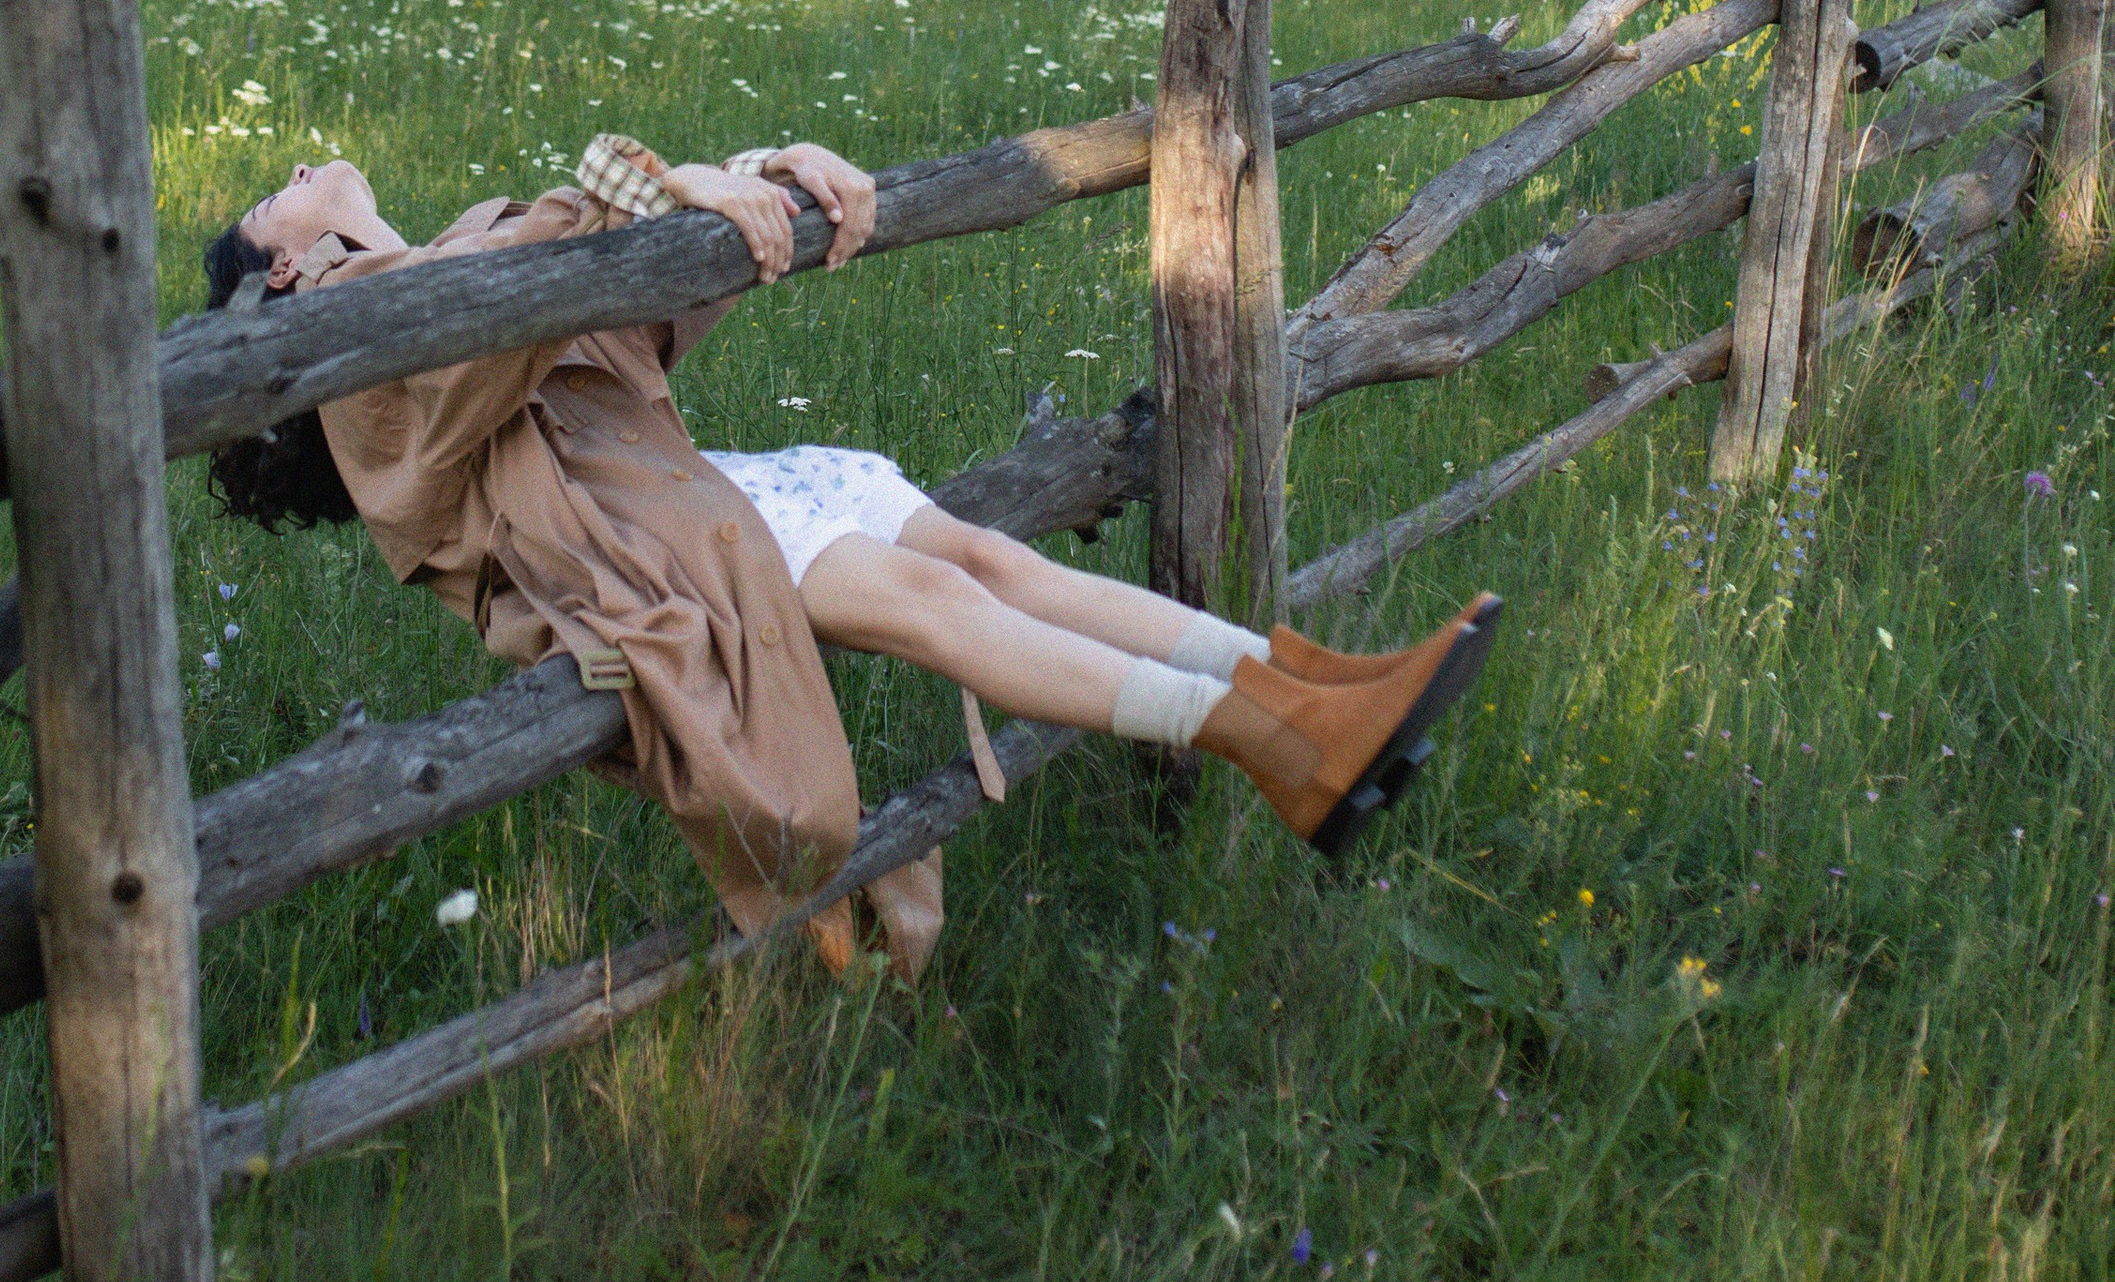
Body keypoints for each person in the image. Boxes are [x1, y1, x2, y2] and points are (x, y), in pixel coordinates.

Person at [203, 134, 1497, 970]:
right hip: (665, 541)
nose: (301, 164)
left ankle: (1315, 688)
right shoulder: (349, 358)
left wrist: (767, 182)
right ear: (286, 268)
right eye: (276, 193)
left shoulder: (439, 260)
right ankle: (1273, 744)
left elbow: (628, 341)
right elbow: (529, 301)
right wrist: (662, 188)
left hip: (719, 487)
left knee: (1004, 572)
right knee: (942, 601)